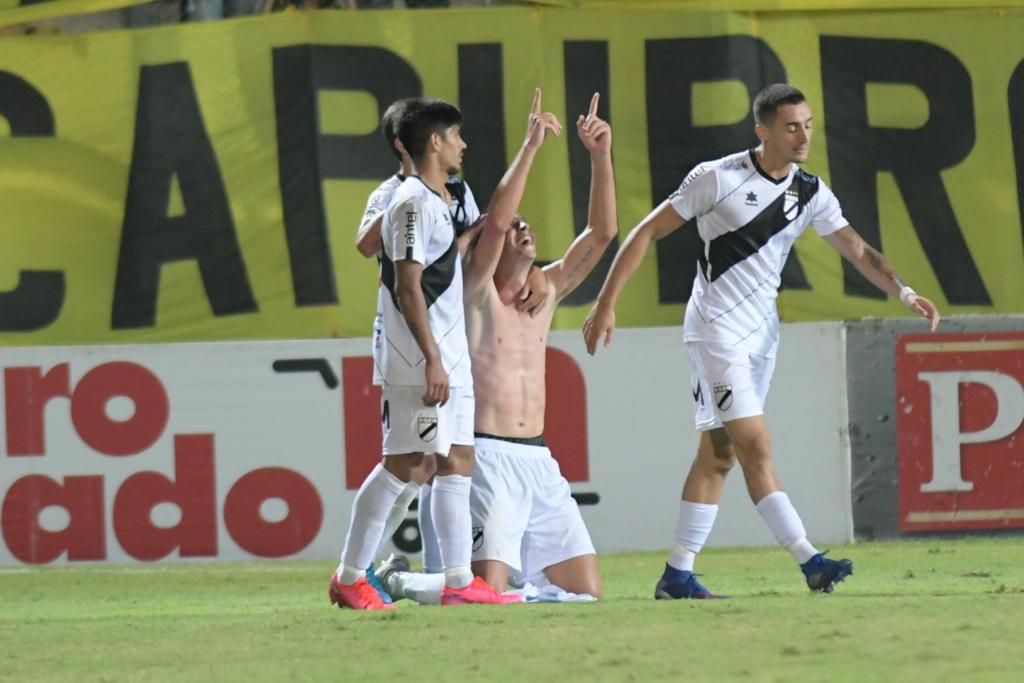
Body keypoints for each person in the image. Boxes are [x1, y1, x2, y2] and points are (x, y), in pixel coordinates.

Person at [582, 83, 941, 599]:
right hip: (715, 331)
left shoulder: (810, 191)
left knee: (719, 455)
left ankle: (677, 574)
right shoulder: (716, 178)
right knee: (756, 443)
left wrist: (905, 291)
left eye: (809, 125)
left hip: (761, 338)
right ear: (763, 130)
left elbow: (857, 249)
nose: (803, 136)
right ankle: (810, 560)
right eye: (792, 126)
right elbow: (646, 233)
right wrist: (606, 301)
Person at [377, 89, 613, 604]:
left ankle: (490, 585)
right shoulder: (473, 292)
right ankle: (396, 579)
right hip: (483, 457)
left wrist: (599, 155)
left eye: (528, 227)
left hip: (538, 460)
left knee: (585, 594)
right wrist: (530, 147)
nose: (523, 228)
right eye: (514, 229)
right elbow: (499, 221)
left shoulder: (544, 294)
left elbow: (601, 233)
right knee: (482, 594)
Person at [329, 97, 521, 609]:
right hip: (419, 355)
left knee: (457, 460)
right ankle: (350, 577)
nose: (464, 143)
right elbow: (407, 285)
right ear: (432, 142)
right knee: (404, 462)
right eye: (456, 135)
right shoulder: (408, 200)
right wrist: (432, 357)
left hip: (448, 349)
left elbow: (445, 264)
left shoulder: (439, 199)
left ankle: (459, 583)